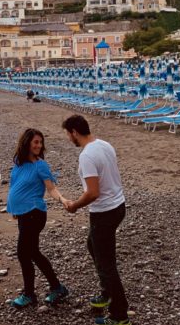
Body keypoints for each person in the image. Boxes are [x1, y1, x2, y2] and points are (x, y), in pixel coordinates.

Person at [60, 115, 131, 325]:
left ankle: (120, 316)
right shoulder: (104, 145)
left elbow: (92, 193)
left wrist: (74, 206)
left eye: (67, 134)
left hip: (104, 213)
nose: (68, 138)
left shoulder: (87, 156)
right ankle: (107, 292)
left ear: (74, 132)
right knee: (93, 246)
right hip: (118, 206)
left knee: (107, 265)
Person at [6, 128, 69, 308]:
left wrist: (62, 199)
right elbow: (15, 187)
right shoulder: (19, 164)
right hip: (24, 214)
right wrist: (14, 209)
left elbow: (50, 188)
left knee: (23, 254)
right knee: (32, 253)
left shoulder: (40, 165)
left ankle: (30, 295)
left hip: (35, 214)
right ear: (27, 143)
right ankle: (57, 288)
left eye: (40, 143)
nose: (39, 146)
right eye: (36, 142)